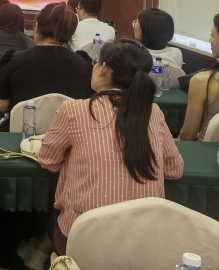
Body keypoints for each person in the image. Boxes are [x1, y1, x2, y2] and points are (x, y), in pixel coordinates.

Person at [18, 40, 184, 268]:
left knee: (60, 211)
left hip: (83, 242)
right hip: (142, 247)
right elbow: (174, 170)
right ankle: (38, 252)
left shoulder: (74, 109)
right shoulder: (153, 112)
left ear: (105, 69)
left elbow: (49, 160)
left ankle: (38, 252)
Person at [0, 3, 92, 114]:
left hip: (24, 124)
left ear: (37, 27)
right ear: (70, 33)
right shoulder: (84, 65)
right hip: (71, 125)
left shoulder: (13, 61)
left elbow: (0, 105)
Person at [179, 14, 219, 141]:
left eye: (212, 35)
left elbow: (188, 135)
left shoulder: (203, 81)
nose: (209, 40)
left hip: (204, 150)